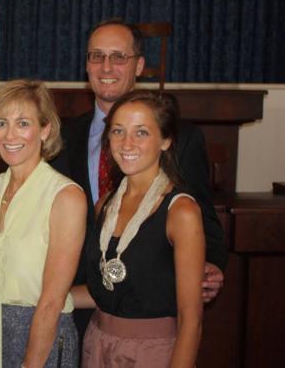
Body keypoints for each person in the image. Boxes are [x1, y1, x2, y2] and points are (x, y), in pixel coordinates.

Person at [50, 18, 227, 341]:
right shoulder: (60, 138)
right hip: (72, 305)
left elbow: (203, 218)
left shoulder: (182, 138)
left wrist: (211, 265)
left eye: (119, 57)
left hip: (147, 311)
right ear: (86, 65)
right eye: (96, 56)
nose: (107, 66)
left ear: (140, 65)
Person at [73, 89, 204, 366]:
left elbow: (191, 320)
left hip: (152, 352)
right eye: (118, 131)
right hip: (97, 344)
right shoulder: (105, 205)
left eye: (141, 132)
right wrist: (43, 295)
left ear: (165, 140)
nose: (126, 143)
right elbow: (104, 291)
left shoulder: (181, 212)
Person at [0, 80, 87, 367]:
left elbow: (52, 301)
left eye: (23, 123)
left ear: (45, 129)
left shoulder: (65, 197)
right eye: (1, 123)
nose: (9, 135)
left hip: (39, 334)